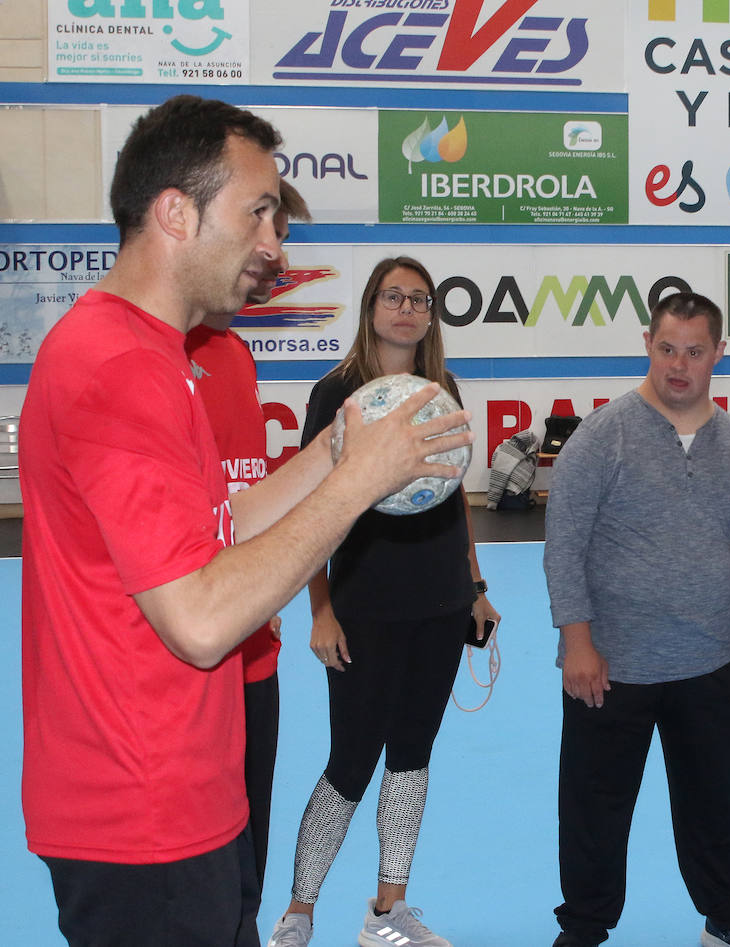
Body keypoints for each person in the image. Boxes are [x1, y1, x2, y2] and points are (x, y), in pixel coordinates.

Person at [19, 95, 472, 947]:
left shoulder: (157, 356)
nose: (276, 242)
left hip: (184, 788)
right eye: (258, 211)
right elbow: (198, 618)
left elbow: (214, 524)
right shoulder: (116, 366)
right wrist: (359, 482)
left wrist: (338, 449)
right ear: (176, 212)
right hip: (138, 815)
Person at [542, 291, 730, 947]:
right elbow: (563, 542)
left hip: (711, 661)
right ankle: (586, 924)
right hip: (611, 663)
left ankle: (728, 915)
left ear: (718, 354)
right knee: (594, 806)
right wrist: (576, 640)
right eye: (667, 348)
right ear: (648, 344)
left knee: (714, 804)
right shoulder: (603, 436)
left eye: (695, 351)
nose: (679, 364)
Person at [267, 256, 499, 947]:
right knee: (350, 761)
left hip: (439, 602)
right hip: (363, 605)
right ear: (371, 307)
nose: (406, 308)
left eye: (419, 299)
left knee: (413, 753)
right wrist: (321, 608)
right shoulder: (336, 392)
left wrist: (476, 588)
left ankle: (386, 911)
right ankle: (298, 913)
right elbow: (310, 508)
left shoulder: (442, 386)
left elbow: (456, 492)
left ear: (431, 314)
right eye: (393, 296)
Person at [184, 178, 312, 915]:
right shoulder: (148, 361)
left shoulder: (232, 355)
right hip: (189, 664)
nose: (275, 251)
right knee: (191, 884)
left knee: (246, 864)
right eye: (261, 222)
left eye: (284, 232)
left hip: (254, 654)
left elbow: (241, 502)